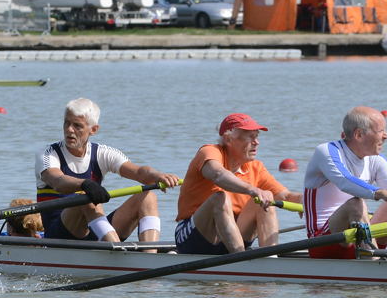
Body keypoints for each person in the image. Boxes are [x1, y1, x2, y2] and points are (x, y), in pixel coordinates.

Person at [36, 98, 181, 248]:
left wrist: (157, 176)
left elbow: (138, 172)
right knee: (86, 198)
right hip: (58, 236)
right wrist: (85, 184)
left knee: (148, 196)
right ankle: (117, 253)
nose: (69, 130)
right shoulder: (48, 154)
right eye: (67, 123)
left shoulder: (102, 153)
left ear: (93, 129)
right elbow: (58, 181)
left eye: (77, 126)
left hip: (94, 231)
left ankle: (150, 257)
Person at [304, 106, 387, 259]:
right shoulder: (326, 151)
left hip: (360, 235)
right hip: (323, 242)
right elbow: (345, 182)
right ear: (359, 134)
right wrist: (383, 193)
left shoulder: (375, 160)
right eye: (381, 131)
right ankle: (374, 264)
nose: (386, 136)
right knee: (356, 203)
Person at [175, 113, 301, 254]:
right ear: (229, 139)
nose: (256, 142)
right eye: (250, 136)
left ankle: (270, 258)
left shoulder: (255, 167)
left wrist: (309, 202)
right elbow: (218, 175)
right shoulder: (209, 152)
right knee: (220, 198)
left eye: (257, 136)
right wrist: (252, 190)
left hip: (232, 237)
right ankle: (240, 257)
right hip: (194, 238)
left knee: (267, 197)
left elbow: (286, 196)